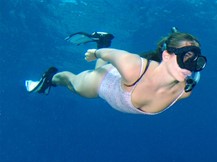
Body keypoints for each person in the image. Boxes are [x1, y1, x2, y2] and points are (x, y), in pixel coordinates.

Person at [25, 30, 206, 115]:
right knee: (73, 85)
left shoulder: (184, 91)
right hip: (103, 84)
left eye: (196, 62)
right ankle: (49, 79)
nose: (190, 68)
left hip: (120, 79)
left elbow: (194, 75)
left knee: (103, 67)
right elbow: (112, 55)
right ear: (166, 55)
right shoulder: (134, 67)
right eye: (186, 58)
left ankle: (102, 39)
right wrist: (95, 53)